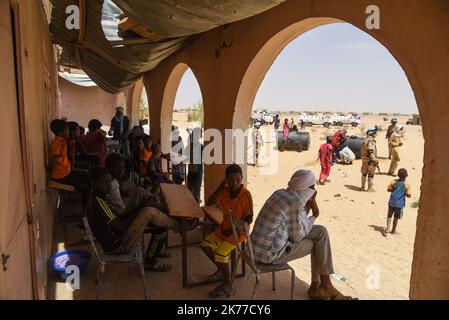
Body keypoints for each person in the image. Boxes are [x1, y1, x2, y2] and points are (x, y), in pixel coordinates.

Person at [250, 170, 354, 300]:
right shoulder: (295, 203)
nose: (314, 191)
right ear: (305, 188)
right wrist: (315, 215)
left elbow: (295, 222)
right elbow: (297, 235)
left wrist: (308, 209)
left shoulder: (281, 193)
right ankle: (321, 287)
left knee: (321, 232)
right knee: (316, 242)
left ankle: (320, 286)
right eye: (312, 188)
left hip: (254, 248)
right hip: (268, 255)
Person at [86, 167, 198, 271]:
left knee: (140, 191)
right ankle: (180, 227)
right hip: (119, 245)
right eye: (104, 182)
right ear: (93, 184)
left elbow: (119, 219)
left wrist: (144, 204)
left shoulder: (100, 195)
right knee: (150, 214)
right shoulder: (98, 203)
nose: (109, 185)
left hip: (119, 232)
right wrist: (142, 207)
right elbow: (121, 226)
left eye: (109, 181)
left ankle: (172, 215)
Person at [201, 164, 253, 298]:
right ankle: (221, 269)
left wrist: (233, 230)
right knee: (205, 245)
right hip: (224, 229)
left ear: (241, 178)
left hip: (239, 233)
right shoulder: (224, 192)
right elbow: (209, 203)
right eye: (230, 180)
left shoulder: (246, 195)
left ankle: (227, 283)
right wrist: (219, 188)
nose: (234, 183)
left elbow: (248, 220)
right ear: (226, 180)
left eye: (237, 180)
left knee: (220, 252)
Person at [49, 119, 90, 207]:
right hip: (61, 176)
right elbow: (54, 158)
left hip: (65, 172)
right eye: (67, 130)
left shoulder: (62, 141)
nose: (68, 132)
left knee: (86, 176)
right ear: (60, 132)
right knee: (86, 189)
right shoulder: (58, 142)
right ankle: (85, 213)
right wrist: (50, 170)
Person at [385, 168, 411, 236]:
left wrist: (394, 190)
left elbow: (388, 189)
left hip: (391, 201)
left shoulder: (393, 182)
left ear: (398, 175)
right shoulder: (407, 184)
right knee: (396, 217)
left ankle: (387, 229)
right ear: (406, 176)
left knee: (389, 215)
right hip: (399, 204)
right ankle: (393, 231)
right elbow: (409, 195)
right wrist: (404, 192)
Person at [187, 128, 204, 203]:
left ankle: (195, 211)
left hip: (196, 171)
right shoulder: (191, 146)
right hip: (193, 170)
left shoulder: (200, 147)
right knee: (192, 192)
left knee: (194, 193)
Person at [360, 128, 379, 192]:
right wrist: (374, 159)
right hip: (370, 160)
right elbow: (370, 150)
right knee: (371, 174)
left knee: (364, 173)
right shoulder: (371, 140)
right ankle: (369, 188)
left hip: (364, 159)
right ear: (371, 133)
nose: (375, 134)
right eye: (374, 133)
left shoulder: (365, 139)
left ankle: (362, 187)